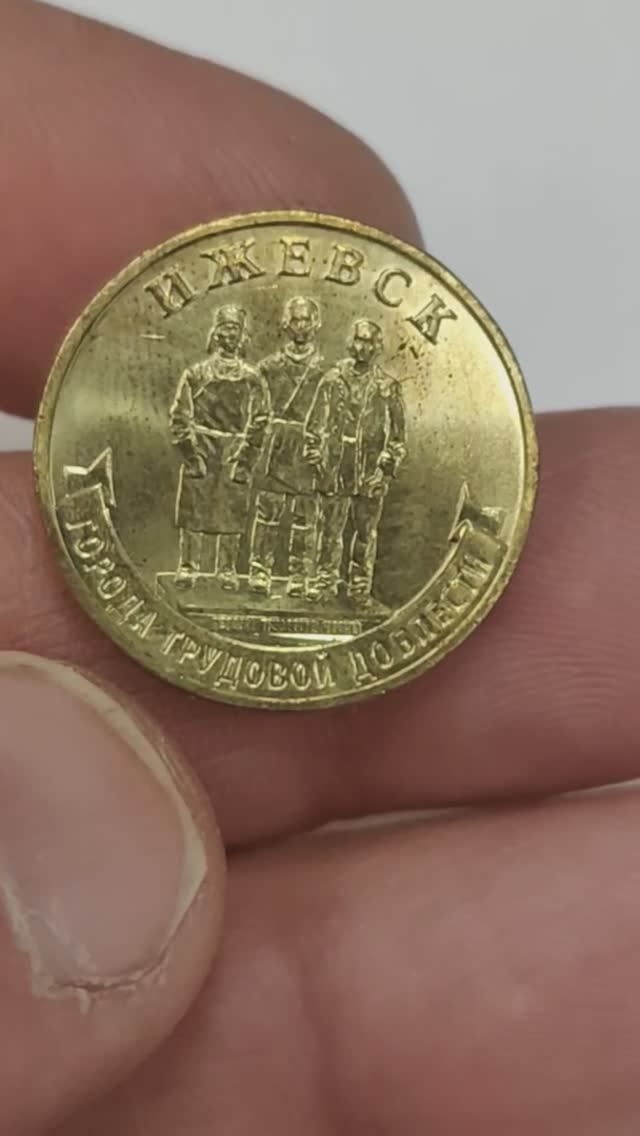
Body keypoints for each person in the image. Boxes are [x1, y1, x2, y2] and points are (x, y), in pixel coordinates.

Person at [2, 6, 637, 1134]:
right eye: (290, 332)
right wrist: (229, 443)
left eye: (313, 333)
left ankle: (316, 591)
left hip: (330, 476)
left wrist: (355, 455)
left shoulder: (359, 384)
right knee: (251, 536)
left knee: (322, 551)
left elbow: (371, 433)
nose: (300, 340)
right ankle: (271, 581)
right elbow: (215, 411)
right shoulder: (255, 377)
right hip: (261, 471)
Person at [304, 319, 407, 605]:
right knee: (329, 529)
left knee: (365, 532)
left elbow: (398, 436)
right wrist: (316, 456)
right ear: (351, 342)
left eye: (370, 342)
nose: (364, 347)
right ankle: (325, 580)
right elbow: (315, 425)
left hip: (370, 471)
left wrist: (386, 469)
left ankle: (359, 586)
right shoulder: (332, 380)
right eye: (360, 340)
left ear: (378, 347)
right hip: (335, 468)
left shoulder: (388, 387)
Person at [169, 304, 270, 591]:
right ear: (215, 332)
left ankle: (227, 568)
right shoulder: (196, 374)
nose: (230, 334)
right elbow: (180, 416)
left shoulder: (251, 377)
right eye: (225, 327)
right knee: (193, 509)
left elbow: (261, 418)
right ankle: (188, 565)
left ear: (242, 334)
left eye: (235, 328)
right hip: (201, 447)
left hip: (233, 451)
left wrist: (246, 457)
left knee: (232, 510)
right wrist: (191, 454)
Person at [248, 295, 325, 598]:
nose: (301, 326)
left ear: (315, 324)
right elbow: (256, 413)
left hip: (308, 446)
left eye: (306, 320)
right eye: (296, 320)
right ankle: (260, 571)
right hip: (275, 445)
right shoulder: (267, 368)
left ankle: (298, 575)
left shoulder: (326, 371)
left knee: (305, 516)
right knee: (267, 511)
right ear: (285, 324)